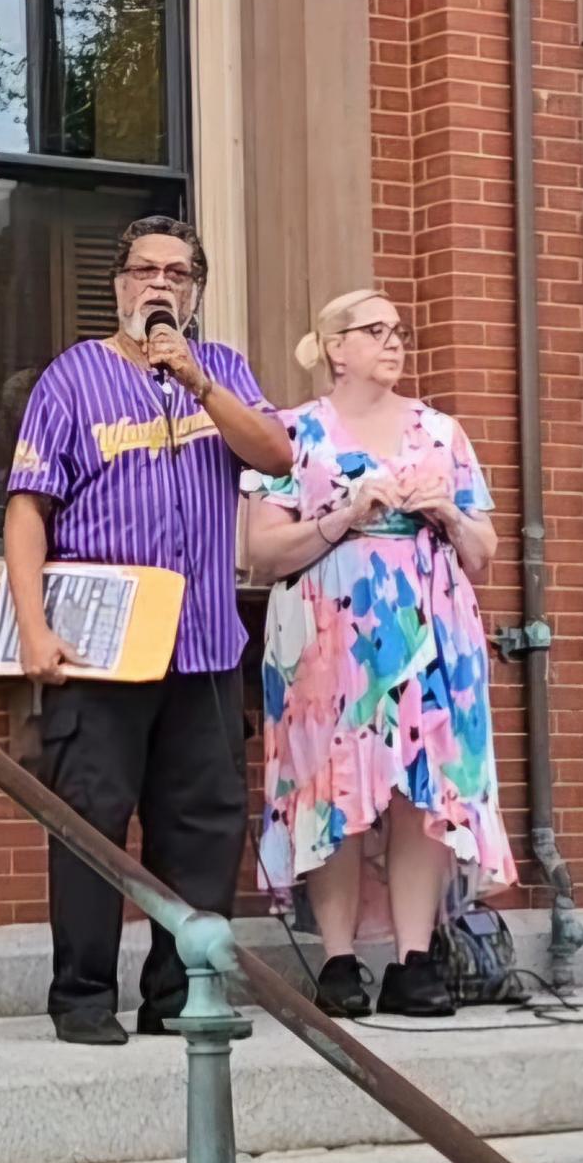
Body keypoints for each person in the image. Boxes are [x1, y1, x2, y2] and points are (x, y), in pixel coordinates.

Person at [4, 216, 292, 1045]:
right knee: (91, 820)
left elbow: (275, 453)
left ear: (194, 293)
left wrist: (201, 384)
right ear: (121, 285)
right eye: (145, 270)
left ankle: (180, 994)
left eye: (177, 273)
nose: (159, 284)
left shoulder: (224, 371)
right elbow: (27, 508)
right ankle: (84, 998)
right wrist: (32, 626)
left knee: (200, 826)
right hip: (100, 650)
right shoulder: (71, 380)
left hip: (203, 645)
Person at [242, 289, 516, 1018]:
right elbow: (261, 549)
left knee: (419, 787)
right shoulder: (291, 433)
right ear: (335, 347)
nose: (394, 342)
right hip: (327, 632)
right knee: (330, 783)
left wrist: (447, 511)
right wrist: (345, 514)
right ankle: (336, 960)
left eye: (399, 331)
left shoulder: (441, 432)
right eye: (375, 330)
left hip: (431, 629)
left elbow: (485, 551)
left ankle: (413, 957)